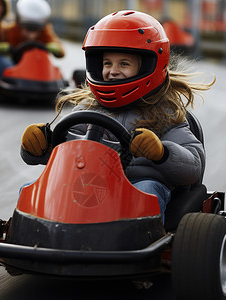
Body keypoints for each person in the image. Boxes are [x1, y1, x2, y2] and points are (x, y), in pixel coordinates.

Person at [20, 10, 214, 223]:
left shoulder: (166, 115)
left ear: (149, 66)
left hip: (136, 186)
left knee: (147, 191)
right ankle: (32, 235)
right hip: (89, 183)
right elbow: (61, 154)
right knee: (32, 189)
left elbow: (193, 166)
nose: (113, 71)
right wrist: (39, 148)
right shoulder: (87, 110)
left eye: (124, 63)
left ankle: (136, 242)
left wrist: (161, 152)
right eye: (107, 63)